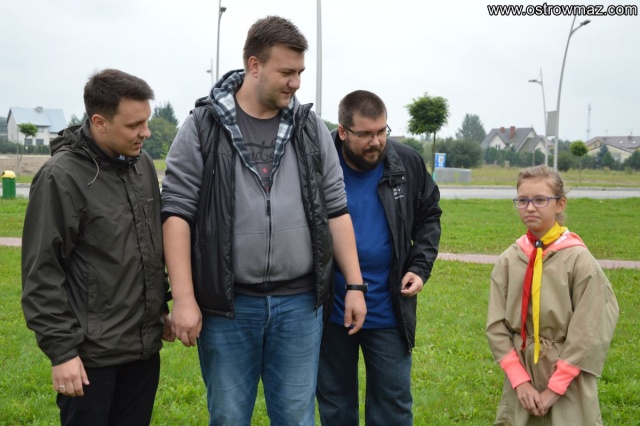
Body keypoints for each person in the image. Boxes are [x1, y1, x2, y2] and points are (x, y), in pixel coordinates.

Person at [161, 16, 366, 425]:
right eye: (287, 72)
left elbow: (336, 209)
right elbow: (177, 214)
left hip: (299, 307)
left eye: (300, 72)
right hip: (228, 309)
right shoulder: (202, 127)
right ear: (254, 65)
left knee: (296, 417)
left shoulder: (311, 129)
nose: (296, 83)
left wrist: (356, 286)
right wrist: (183, 298)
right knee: (228, 417)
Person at [21, 69, 173, 425]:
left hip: (142, 352)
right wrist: (62, 353)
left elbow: (148, 249)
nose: (146, 133)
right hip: (89, 359)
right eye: (134, 125)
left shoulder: (142, 165)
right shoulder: (60, 177)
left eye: (146, 121)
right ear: (99, 122)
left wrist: (159, 309)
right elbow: (42, 273)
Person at [316, 90, 442, 425]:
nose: (376, 142)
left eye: (382, 131)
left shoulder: (406, 163)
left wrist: (420, 267)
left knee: (393, 404)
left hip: (388, 306)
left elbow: (429, 216)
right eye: (366, 134)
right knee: (335, 402)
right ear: (343, 131)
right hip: (332, 308)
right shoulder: (318, 162)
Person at [486, 165, 619, 425]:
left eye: (540, 200)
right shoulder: (510, 260)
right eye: (522, 200)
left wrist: (555, 388)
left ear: (560, 204)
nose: (530, 208)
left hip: (569, 377)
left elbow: (590, 329)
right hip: (522, 375)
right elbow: (496, 326)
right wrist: (519, 381)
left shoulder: (579, 260)